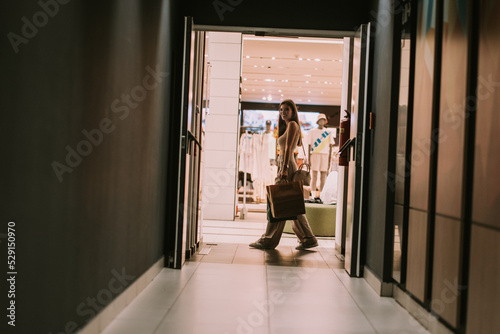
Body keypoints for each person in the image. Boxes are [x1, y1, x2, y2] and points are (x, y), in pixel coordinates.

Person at [250, 99, 318, 250]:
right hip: (284, 164)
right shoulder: (287, 126)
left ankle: (268, 239)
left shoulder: (293, 125)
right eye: (281, 110)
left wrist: (285, 168)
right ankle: (308, 238)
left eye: (286, 109)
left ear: (293, 111)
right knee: (291, 203)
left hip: (287, 166)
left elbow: (288, 149)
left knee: (278, 201)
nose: (283, 112)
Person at [307, 113, 335, 194]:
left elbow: (330, 147)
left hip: (325, 155)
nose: (321, 122)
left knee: (323, 175)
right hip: (315, 153)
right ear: (318, 121)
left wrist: (329, 160)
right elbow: (309, 145)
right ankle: (312, 193)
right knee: (314, 175)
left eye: (323, 120)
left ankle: (322, 194)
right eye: (320, 120)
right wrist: (309, 159)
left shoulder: (328, 132)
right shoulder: (312, 131)